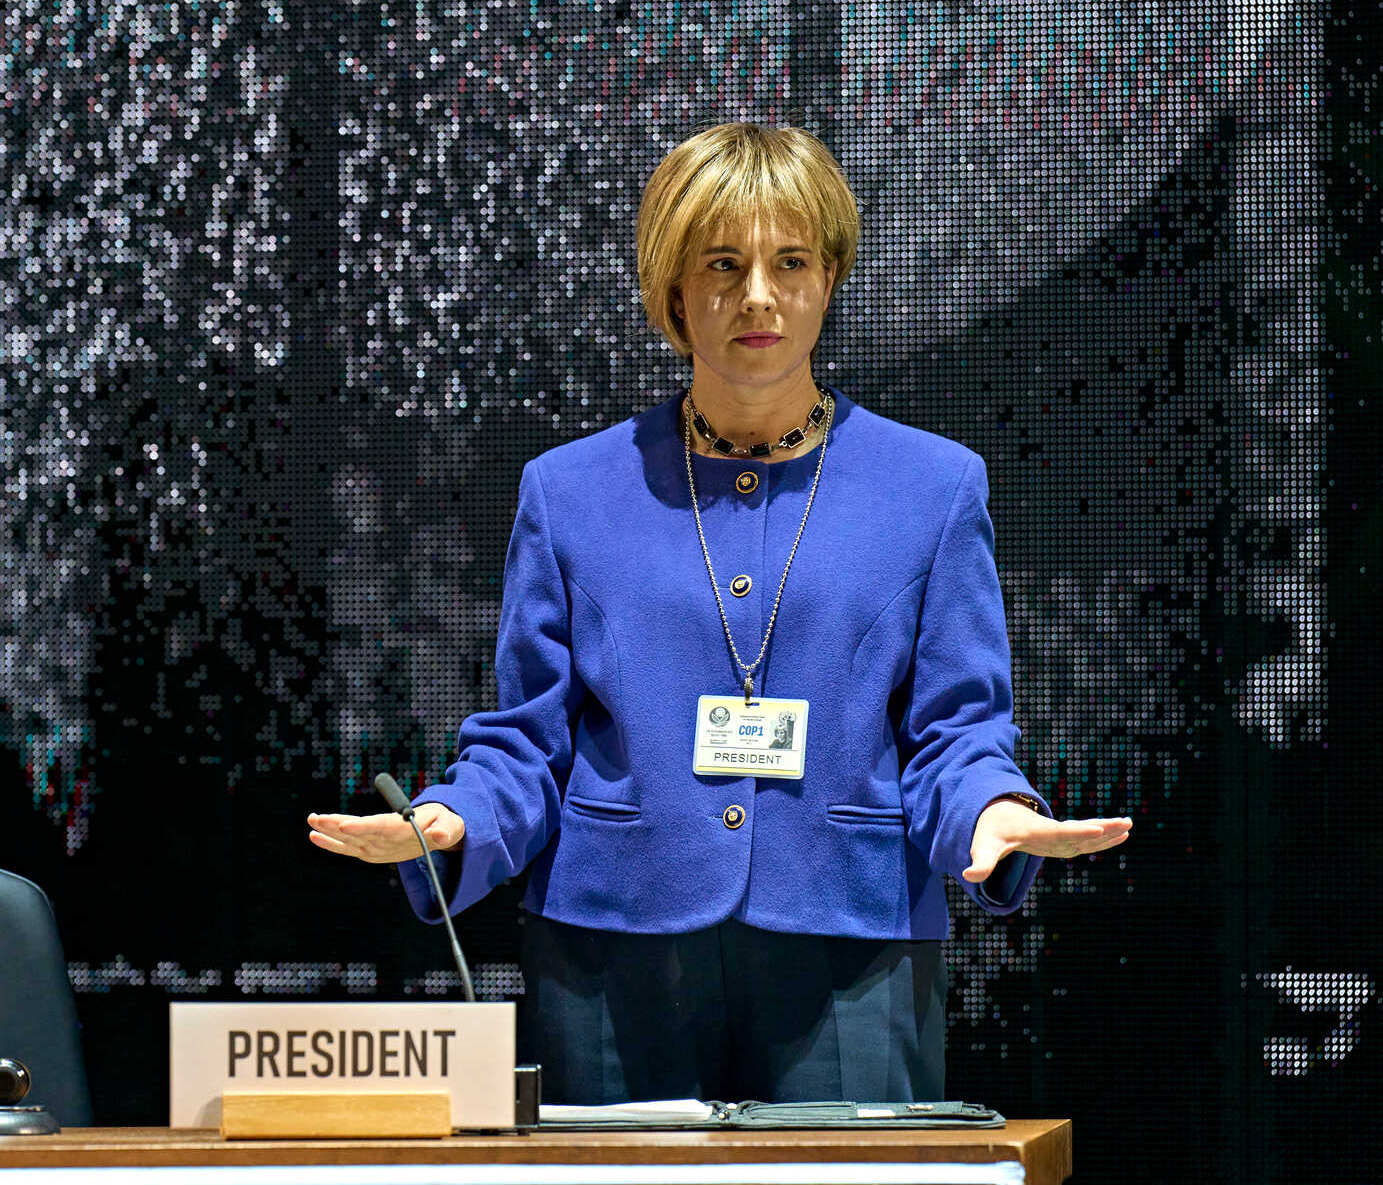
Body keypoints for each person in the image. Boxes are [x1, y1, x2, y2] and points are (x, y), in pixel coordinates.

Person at [308, 123, 1132, 1105]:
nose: (758, 295)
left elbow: (956, 727)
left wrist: (992, 810)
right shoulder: (568, 491)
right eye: (723, 264)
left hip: (849, 932)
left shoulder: (932, 488)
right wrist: (456, 817)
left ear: (828, 277)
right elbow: (527, 738)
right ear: (671, 291)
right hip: (613, 940)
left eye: (790, 262)